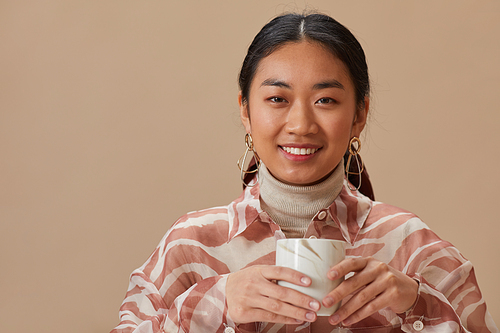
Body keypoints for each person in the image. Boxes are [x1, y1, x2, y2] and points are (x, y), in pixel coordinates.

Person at [110, 13, 498, 333]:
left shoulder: (411, 246)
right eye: (277, 99)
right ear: (245, 110)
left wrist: (416, 302)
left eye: (325, 100)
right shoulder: (191, 245)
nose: (300, 124)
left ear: (359, 114)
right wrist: (218, 301)